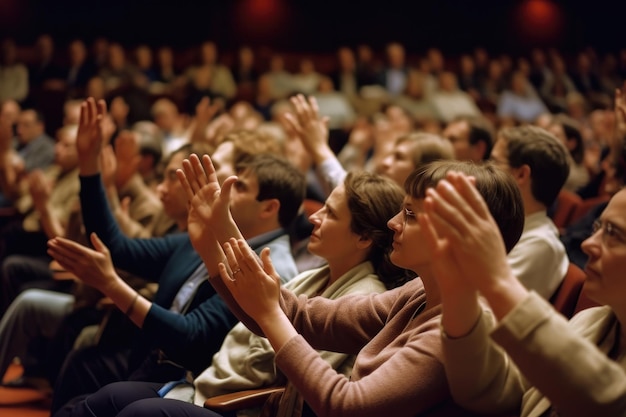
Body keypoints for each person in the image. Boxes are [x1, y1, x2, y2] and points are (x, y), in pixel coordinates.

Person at [104, 155, 525, 417]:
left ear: (459, 233)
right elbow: (300, 315)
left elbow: (347, 405)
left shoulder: (456, 331)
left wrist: (268, 311)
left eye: (411, 215)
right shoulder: (418, 293)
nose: (394, 224)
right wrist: (221, 233)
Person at [54, 167, 413, 417]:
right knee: (102, 398)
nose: (315, 217)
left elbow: (286, 361)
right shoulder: (315, 276)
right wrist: (210, 240)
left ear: (364, 237)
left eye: (330, 214)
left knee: (134, 409)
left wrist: (219, 230)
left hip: (239, 404)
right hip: (204, 381)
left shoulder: (363, 293)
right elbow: (255, 309)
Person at [46, 98, 305, 414]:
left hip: (188, 378)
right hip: (151, 359)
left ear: (269, 207)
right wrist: (89, 166)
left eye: (236, 185)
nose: (223, 187)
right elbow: (118, 248)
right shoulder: (210, 237)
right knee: (80, 384)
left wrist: (112, 285)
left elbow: (193, 337)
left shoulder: (268, 265)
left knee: (95, 399)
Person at [424, 170, 626, 416]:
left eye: (613, 234)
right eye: (598, 228)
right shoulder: (591, 320)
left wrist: (497, 279)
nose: (588, 244)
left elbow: (609, 402)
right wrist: (459, 293)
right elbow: (496, 395)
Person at [490, 125, 570, 299]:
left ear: (521, 174)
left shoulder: (540, 244)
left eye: (495, 162)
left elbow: (484, 305)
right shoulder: (507, 225)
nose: (487, 169)